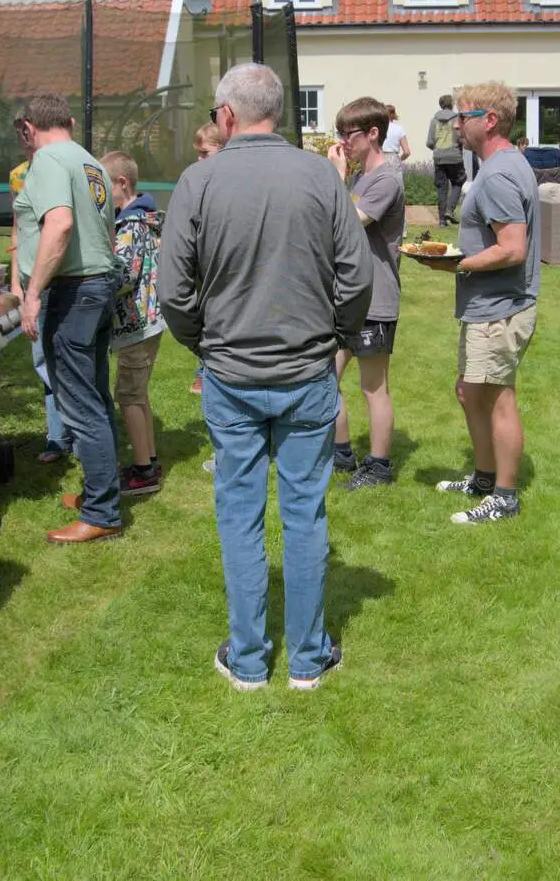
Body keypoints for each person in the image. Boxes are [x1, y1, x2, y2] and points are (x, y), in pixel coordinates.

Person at [159, 63, 371, 691]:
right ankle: (308, 659)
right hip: (306, 370)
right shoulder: (320, 177)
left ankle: (250, 660)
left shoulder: (199, 181)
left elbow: (172, 293)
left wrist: (206, 342)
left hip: (232, 372)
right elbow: (355, 279)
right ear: (279, 113)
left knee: (240, 514)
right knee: (306, 515)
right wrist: (334, 338)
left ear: (226, 116)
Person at [416, 82, 540, 524]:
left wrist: (458, 263)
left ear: (489, 121)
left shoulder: (501, 173)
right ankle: (485, 478)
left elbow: (512, 248)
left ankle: (504, 498)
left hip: (500, 308)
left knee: (496, 398)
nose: (456, 124)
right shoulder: (501, 165)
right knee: (470, 393)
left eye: (463, 116)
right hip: (489, 305)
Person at [12, 94, 123, 545]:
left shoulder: (47, 161)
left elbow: (58, 225)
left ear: (26, 128)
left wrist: (32, 294)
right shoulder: (89, 161)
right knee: (95, 396)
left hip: (73, 292)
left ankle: (102, 513)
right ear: (71, 122)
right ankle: (102, 494)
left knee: (79, 403)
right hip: (98, 286)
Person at [325, 97, 406, 490]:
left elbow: (350, 223)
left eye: (348, 134)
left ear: (372, 134)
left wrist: (337, 176)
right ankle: (341, 453)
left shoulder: (387, 178)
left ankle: (379, 467)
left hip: (376, 298)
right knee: (326, 377)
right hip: (348, 297)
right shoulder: (359, 178)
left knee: (373, 387)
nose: (343, 141)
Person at [99, 151, 165, 497]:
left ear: (121, 183)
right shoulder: (145, 217)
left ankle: (143, 472)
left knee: (127, 395)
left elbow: (124, 275)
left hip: (135, 326)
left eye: (103, 186)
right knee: (138, 395)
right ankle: (148, 459)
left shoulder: (130, 225)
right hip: (147, 323)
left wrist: (98, 267)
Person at [8, 158, 71, 464]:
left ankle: (77, 430)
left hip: (65, 279)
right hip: (31, 281)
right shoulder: (18, 175)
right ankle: (58, 437)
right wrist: (16, 284)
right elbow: (17, 231)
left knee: (66, 361)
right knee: (42, 359)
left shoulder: (63, 166)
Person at [188, 122, 224, 399]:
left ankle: (209, 370)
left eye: (205, 153)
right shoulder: (198, 182)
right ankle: (204, 369)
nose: (199, 160)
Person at [426, 94, 465, 226]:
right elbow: (461, 138)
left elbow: (430, 142)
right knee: (459, 181)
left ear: (440, 105)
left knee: (441, 188)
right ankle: (450, 210)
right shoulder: (457, 119)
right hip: (455, 156)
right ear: (452, 104)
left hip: (439, 157)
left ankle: (442, 220)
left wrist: (438, 148)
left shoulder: (434, 120)